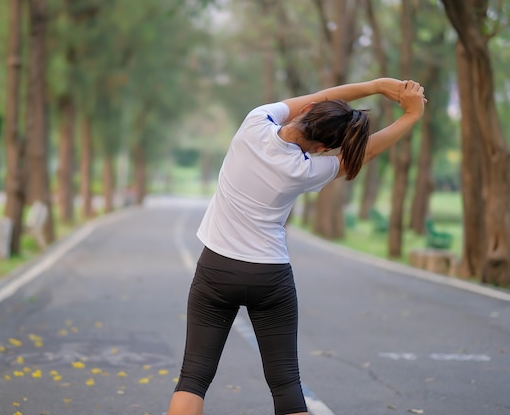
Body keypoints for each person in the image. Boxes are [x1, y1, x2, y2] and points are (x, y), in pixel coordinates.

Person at [167, 78, 426, 415]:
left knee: (194, 378)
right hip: (269, 278)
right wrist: (411, 116)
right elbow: (368, 151)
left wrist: (377, 86)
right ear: (321, 148)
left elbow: (323, 96)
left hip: (216, 270)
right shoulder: (303, 170)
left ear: (305, 112)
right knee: (286, 384)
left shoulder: (254, 123)